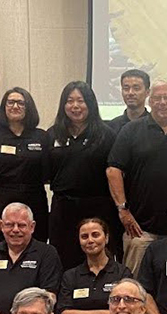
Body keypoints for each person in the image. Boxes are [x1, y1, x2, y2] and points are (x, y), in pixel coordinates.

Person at [108, 80, 167, 270]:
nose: (162, 102)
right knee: (134, 289)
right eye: (157, 98)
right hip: (140, 229)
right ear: (149, 101)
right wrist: (123, 210)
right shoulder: (131, 131)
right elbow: (113, 170)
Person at [49, 81, 120, 267]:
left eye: (80, 101)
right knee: (63, 258)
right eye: (70, 101)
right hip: (63, 208)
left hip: (98, 207)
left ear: (90, 104)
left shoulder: (106, 135)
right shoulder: (53, 134)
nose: (75, 106)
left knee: (98, 259)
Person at [0, 87, 52, 244]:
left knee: (37, 250)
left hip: (35, 204)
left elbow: (49, 174)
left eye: (20, 103)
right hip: (2, 204)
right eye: (10, 102)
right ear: (4, 107)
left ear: (29, 108)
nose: (15, 106)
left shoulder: (42, 137)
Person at [58, 218, 133, 314]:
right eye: (84, 236)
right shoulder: (70, 276)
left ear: (106, 238)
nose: (90, 240)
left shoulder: (122, 273)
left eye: (95, 235)